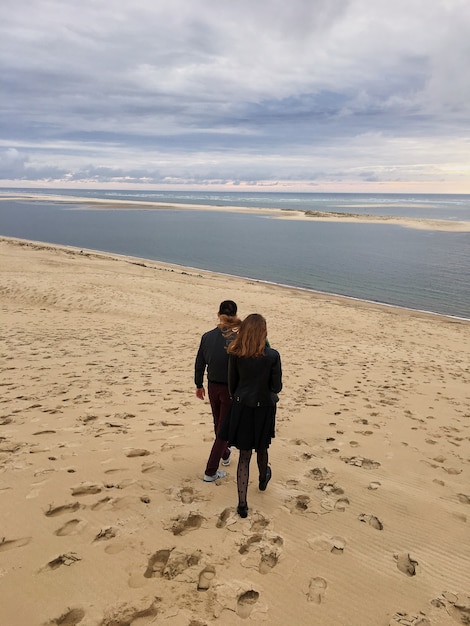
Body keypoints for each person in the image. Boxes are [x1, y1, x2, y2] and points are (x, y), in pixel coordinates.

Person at [219, 313, 282, 518]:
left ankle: (242, 504)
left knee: (244, 456)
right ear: (262, 332)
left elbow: (232, 386)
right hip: (263, 408)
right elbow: (277, 387)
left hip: (242, 407)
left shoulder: (235, 353)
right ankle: (263, 479)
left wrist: (242, 396)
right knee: (262, 449)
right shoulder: (272, 356)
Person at [194, 300, 241, 482]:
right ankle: (211, 471)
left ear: (218, 314)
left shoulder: (207, 337)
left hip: (213, 387)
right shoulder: (237, 338)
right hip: (229, 390)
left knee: (218, 424)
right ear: (235, 316)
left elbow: (199, 363)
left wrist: (199, 385)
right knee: (223, 431)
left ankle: (225, 453)